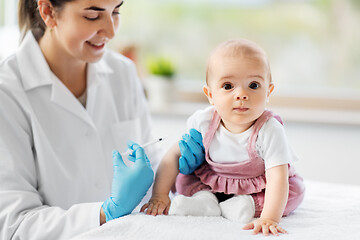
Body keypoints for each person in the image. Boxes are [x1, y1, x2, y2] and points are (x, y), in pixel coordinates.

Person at [0, 0, 204, 239]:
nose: (111, 30)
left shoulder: (123, 73)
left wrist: (181, 175)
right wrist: (105, 212)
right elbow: (14, 225)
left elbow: (152, 174)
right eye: (92, 16)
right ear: (48, 11)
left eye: (115, 11)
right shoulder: (8, 91)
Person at [141, 39, 305, 236]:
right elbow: (173, 156)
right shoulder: (204, 121)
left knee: (294, 191)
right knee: (183, 180)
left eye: (253, 85)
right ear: (210, 94)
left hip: (258, 185)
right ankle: (205, 201)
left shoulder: (270, 129)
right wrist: (159, 195)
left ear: (268, 91)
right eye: (228, 86)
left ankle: (247, 205)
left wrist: (269, 218)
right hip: (213, 180)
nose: (242, 94)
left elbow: (277, 177)